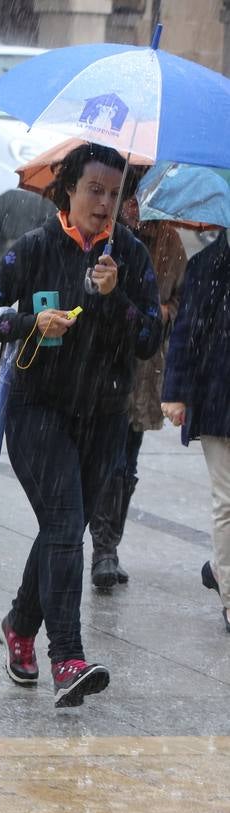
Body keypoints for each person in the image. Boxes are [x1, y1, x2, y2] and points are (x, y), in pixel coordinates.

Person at [0, 142, 161, 707]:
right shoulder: (33, 248)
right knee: (64, 519)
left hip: (104, 415)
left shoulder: (129, 255)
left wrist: (115, 295)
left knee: (64, 528)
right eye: (93, 191)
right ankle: (67, 657)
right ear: (68, 191)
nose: (104, 204)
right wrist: (30, 321)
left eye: (114, 193)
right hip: (37, 409)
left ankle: (19, 625)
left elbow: (149, 337)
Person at [88, 175, 187, 588]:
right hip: (104, 363)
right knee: (105, 456)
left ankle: (109, 545)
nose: (133, 207)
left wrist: (164, 310)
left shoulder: (170, 244)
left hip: (143, 367)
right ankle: (100, 545)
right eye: (128, 198)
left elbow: (182, 300)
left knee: (127, 458)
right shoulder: (108, 238)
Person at [162, 229, 230, 633]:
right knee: (227, 500)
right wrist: (176, 393)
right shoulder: (208, 266)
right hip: (221, 397)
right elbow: (186, 333)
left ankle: (219, 567)